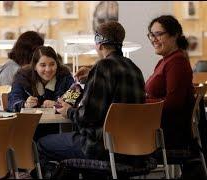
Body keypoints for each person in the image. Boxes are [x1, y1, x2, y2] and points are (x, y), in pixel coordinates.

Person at [36, 21, 145, 178]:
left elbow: (88, 116)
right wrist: (91, 76)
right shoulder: (135, 69)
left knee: (41, 144)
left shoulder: (102, 67)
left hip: (100, 147)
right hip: (131, 148)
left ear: (99, 44)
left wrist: (68, 111)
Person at [146, 15, 194, 150]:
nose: (154, 40)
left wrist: (140, 102)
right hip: (160, 127)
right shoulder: (165, 61)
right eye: (151, 35)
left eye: (158, 34)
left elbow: (173, 103)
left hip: (169, 133)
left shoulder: (177, 62)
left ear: (175, 35)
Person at [7, 46, 74, 112]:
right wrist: (25, 104)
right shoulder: (22, 77)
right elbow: (12, 102)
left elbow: (74, 101)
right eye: (43, 65)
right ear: (35, 67)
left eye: (52, 64)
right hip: (30, 122)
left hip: (59, 122)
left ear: (57, 64)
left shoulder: (65, 76)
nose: (48, 69)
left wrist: (57, 105)